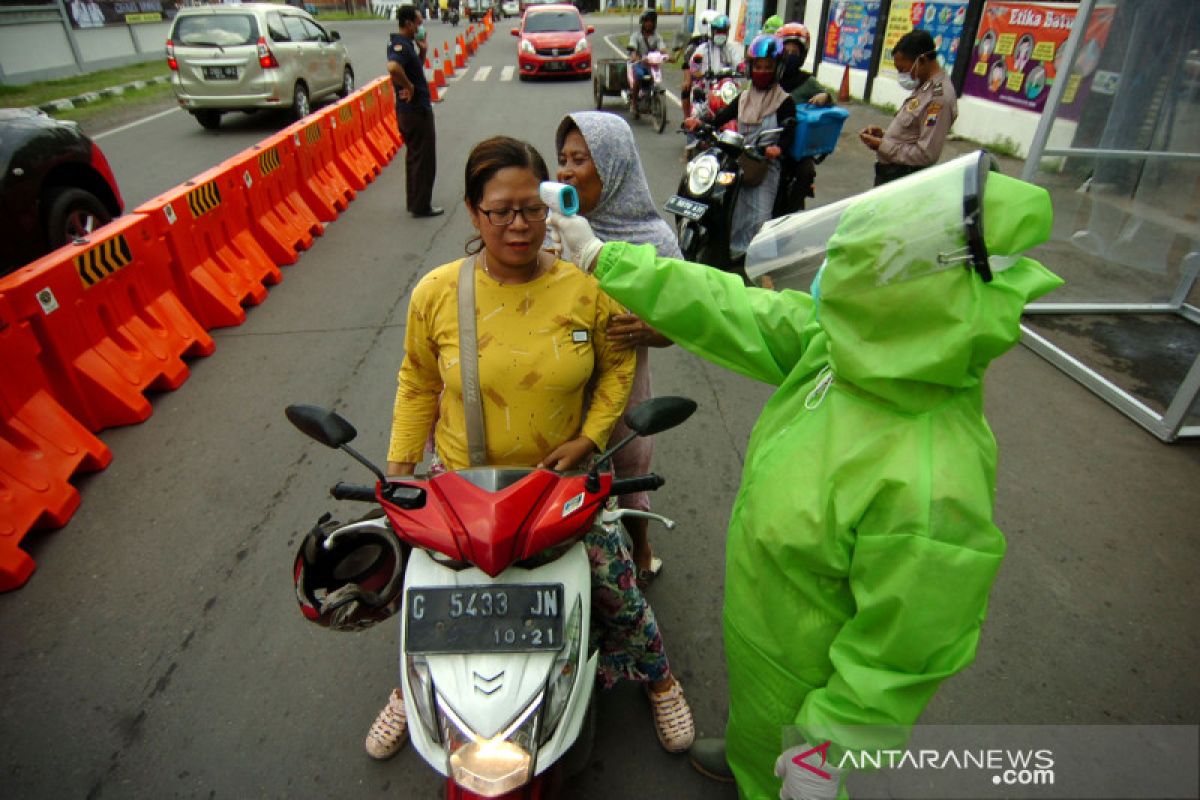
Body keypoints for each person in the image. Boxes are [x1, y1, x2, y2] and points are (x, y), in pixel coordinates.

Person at [548, 156, 1064, 800]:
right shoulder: (851, 349)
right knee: (759, 737)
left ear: (908, 301)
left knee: (788, 771)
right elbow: (729, 308)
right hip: (765, 638)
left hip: (812, 679)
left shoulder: (935, 476)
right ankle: (747, 758)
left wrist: (831, 754)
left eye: (856, 275)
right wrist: (607, 261)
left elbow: (900, 657)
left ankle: (777, 775)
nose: (828, 288)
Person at [364, 136, 695, 761]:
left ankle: (662, 681)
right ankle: (412, 693)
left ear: (551, 208)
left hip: (560, 490)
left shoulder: (584, 287)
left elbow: (616, 367)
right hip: (463, 489)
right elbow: (418, 382)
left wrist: (590, 439)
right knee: (429, 597)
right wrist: (401, 470)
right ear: (472, 212)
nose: (519, 225)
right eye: (500, 211)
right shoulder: (435, 292)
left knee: (617, 589)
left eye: (532, 209)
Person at [555, 111, 678, 585]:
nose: (564, 170)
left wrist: (649, 330)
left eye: (580, 159)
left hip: (626, 387)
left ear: (614, 165)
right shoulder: (549, 230)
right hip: (561, 385)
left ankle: (641, 547)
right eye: (562, 158)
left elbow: (682, 324)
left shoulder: (656, 241)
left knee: (628, 471)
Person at [684, 34, 796, 262]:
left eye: (768, 67)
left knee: (760, 216)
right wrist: (701, 124)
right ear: (751, 68)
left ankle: (762, 266)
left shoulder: (784, 100)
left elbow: (789, 129)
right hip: (740, 161)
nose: (762, 71)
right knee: (728, 206)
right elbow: (721, 117)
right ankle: (730, 255)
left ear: (777, 69)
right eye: (758, 66)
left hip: (765, 165)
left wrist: (778, 149)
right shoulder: (743, 97)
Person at [859, 29, 958, 186]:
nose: (903, 76)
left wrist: (882, 145)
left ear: (922, 60)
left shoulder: (938, 98)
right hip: (891, 174)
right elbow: (913, 132)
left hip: (903, 179)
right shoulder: (924, 86)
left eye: (903, 70)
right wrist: (883, 135)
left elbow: (926, 154)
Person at [388, 6, 443, 217]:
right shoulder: (400, 45)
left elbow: (413, 69)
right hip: (415, 111)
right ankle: (421, 206)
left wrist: (423, 50)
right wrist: (409, 87)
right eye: (418, 23)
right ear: (408, 23)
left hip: (409, 111)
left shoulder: (405, 44)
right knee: (424, 159)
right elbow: (393, 67)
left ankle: (415, 201)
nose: (421, 28)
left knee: (415, 157)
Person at [775, 22, 833, 216]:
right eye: (786, 50)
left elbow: (828, 98)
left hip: (797, 146)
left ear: (802, 54)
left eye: (795, 51)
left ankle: (792, 214)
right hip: (769, 139)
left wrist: (825, 98)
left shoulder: (808, 82)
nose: (790, 55)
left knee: (806, 171)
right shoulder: (770, 76)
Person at [682, 13, 737, 122]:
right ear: (712, 32)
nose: (721, 34)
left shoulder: (732, 50)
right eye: (718, 31)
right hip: (706, 89)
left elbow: (740, 64)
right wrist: (701, 74)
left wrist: (742, 69)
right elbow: (693, 68)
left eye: (724, 31)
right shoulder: (702, 49)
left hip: (726, 90)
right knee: (696, 116)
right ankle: (689, 124)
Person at [626, 10, 666, 118]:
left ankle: (653, 101)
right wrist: (635, 56)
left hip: (652, 65)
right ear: (642, 22)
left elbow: (662, 49)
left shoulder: (657, 37)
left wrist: (667, 56)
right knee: (639, 75)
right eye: (647, 21)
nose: (649, 23)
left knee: (656, 78)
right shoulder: (636, 36)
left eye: (652, 21)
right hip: (638, 63)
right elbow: (633, 50)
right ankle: (634, 103)